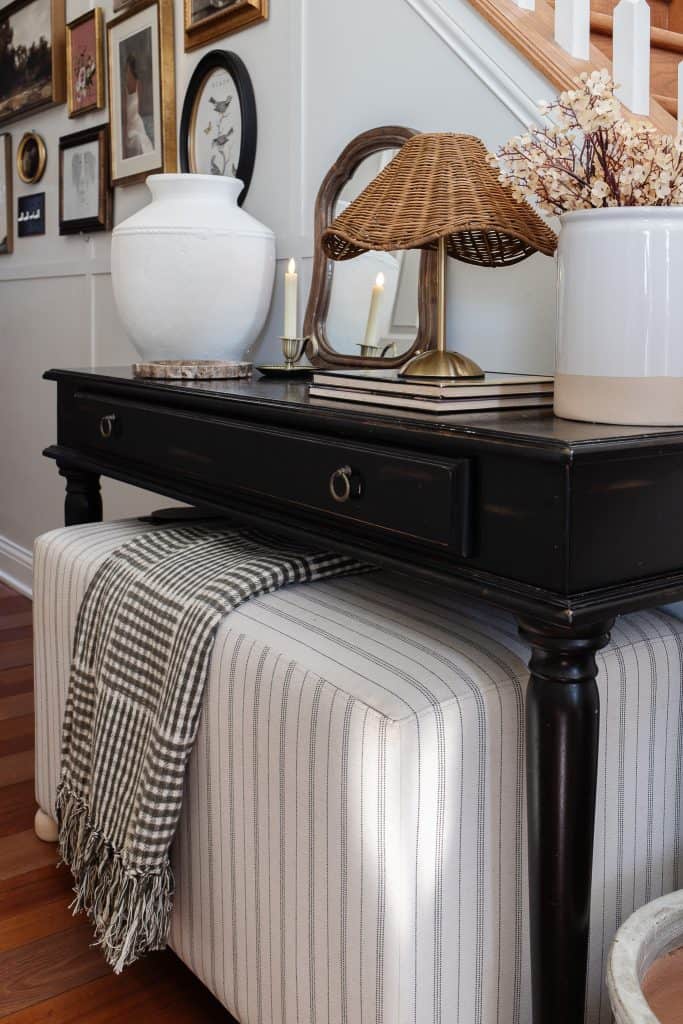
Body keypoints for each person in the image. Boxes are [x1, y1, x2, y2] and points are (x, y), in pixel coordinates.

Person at [123, 53, 153, 157]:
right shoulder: (124, 89)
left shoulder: (138, 84)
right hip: (129, 128)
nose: (126, 74)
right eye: (126, 71)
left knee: (141, 140)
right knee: (137, 139)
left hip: (137, 124)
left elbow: (142, 109)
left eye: (128, 70)